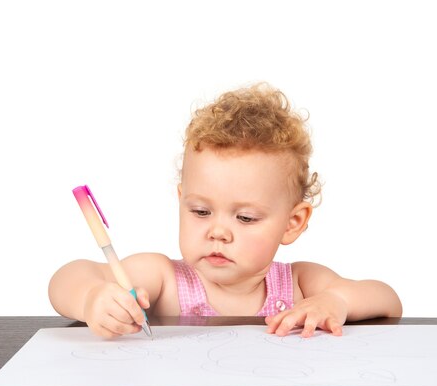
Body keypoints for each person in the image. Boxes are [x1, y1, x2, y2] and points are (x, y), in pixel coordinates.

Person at [49, 83, 402, 339]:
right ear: (181, 200)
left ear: (293, 223)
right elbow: (67, 278)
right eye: (201, 211)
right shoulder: (163, 279)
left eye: (245, 218)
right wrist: (91, 297)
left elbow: (388, 301)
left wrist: (335, 301)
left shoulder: (301, 283)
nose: (218, 231)